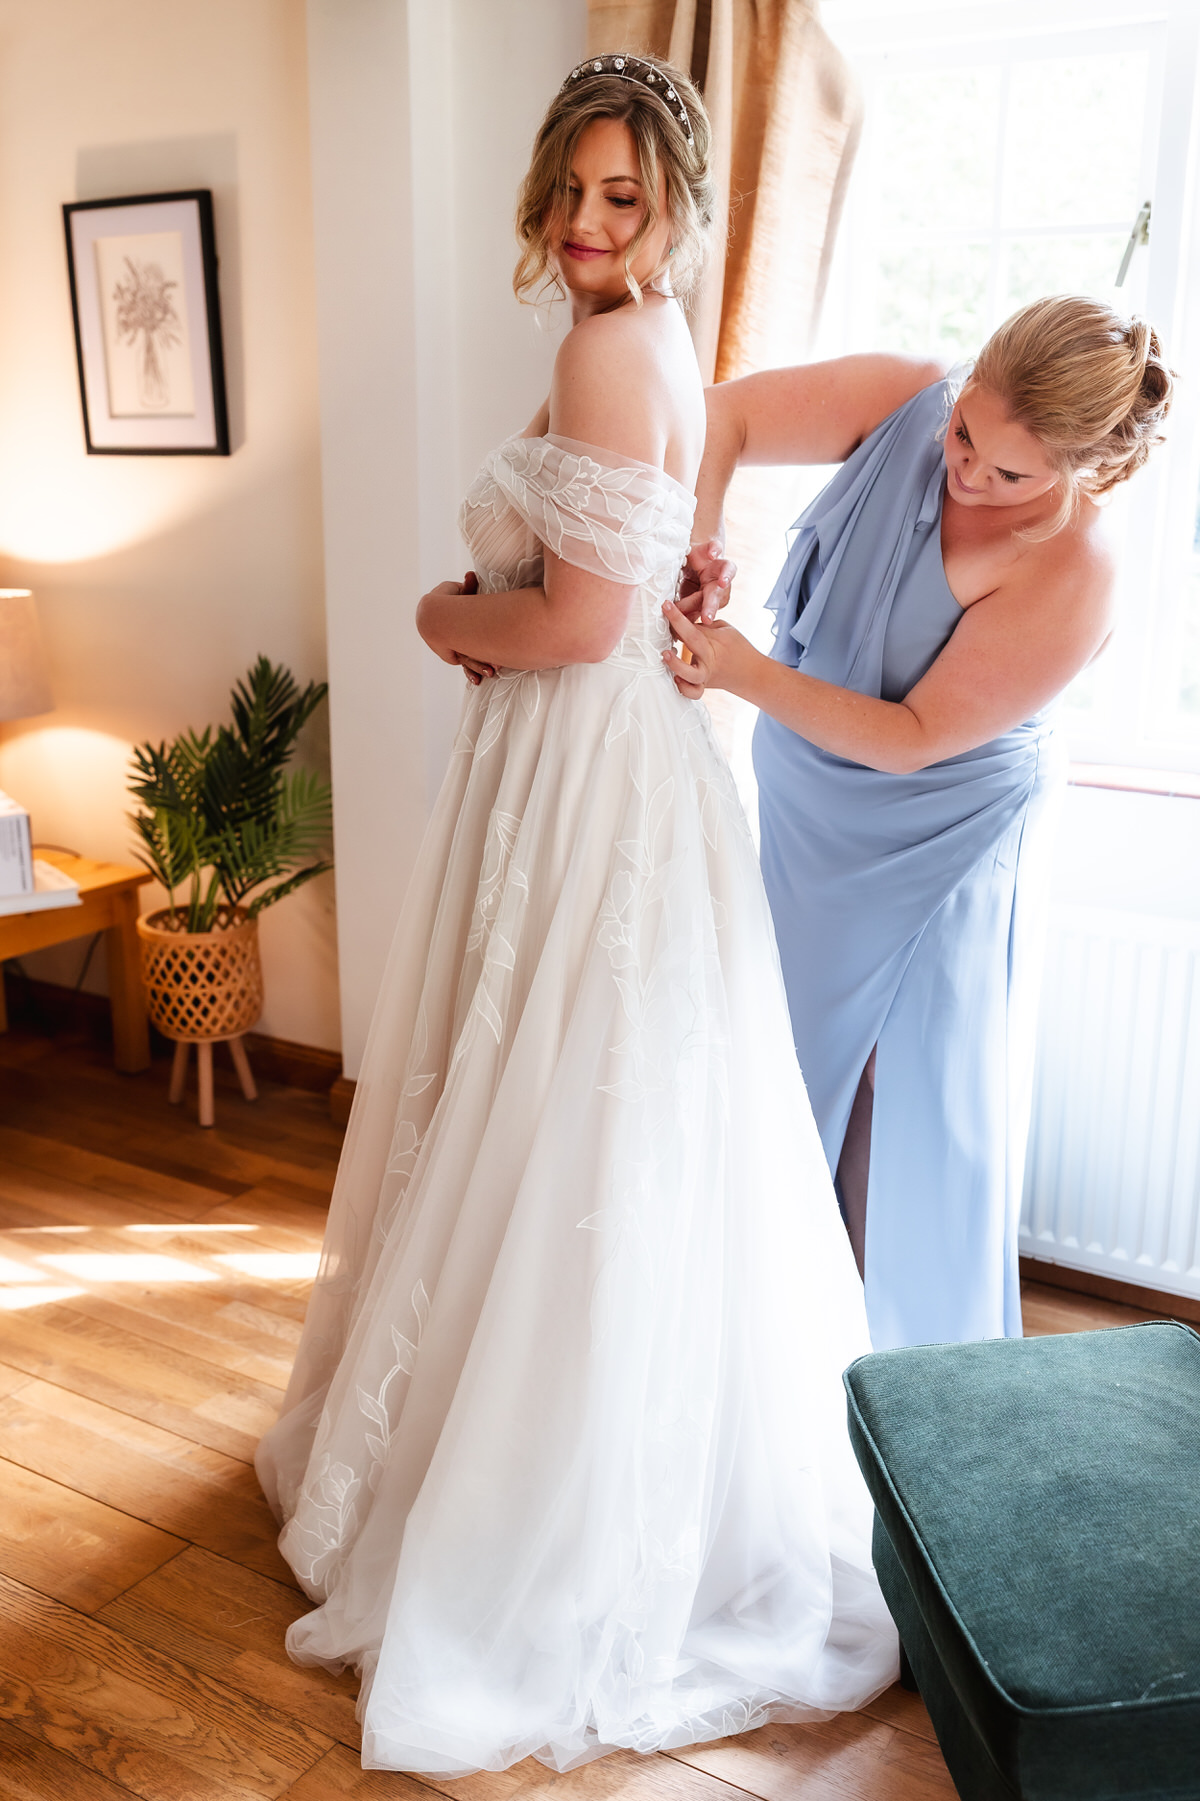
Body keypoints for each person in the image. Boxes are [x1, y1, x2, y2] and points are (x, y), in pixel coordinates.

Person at [256, 53, 897, 1777]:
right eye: (575, 191)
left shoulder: (603, 346)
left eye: (626, 197)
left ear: (674, 206)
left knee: (557, 1102)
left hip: (579, 757)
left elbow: (567, 624)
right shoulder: (663, 339)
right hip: (629, 764)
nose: (593, 223)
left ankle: (521, 1501)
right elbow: (637, 574)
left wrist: (437, 614)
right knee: (600, 1113)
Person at [665, 298, 1174, 1351]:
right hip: (813, 825)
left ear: (1085, 472)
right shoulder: (908, 393)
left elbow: (911, 735)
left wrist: (744, 673)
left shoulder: (1080, 565)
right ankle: (775, 1372)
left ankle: (891, 1396)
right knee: (786, 1081)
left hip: (938, 840)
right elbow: (719, 418)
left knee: (896, 1127)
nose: (968, 473)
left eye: (1010, 474)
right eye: (966, 435)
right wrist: (696, 546)